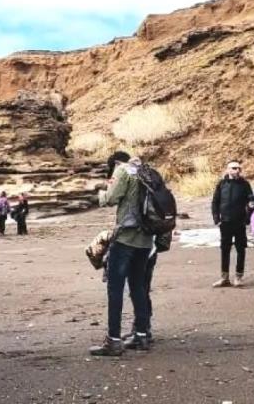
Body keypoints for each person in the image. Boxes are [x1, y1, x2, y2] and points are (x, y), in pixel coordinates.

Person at [89, 151, 152, 356]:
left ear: (116, 162)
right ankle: (141, 335)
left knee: (115, 289)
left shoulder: (123, 170)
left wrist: (100, 193)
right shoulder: (146, 171)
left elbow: (111, 198)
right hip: (146, 240)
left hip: (126, 237)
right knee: (138, 287)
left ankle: (113, 341)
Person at [210, 160, 254, 287]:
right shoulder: (221, 184)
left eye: (239, 168)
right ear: (228, 169)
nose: (237, 170)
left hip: (240, 222)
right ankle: (224, 277)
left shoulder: (244, 184)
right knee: (225, 249)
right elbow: (215, 202)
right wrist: (216, 219)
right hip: (225, 222)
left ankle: (238, 277)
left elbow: (251, 201)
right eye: (234, 168)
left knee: (241, 249)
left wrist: (247, 218)